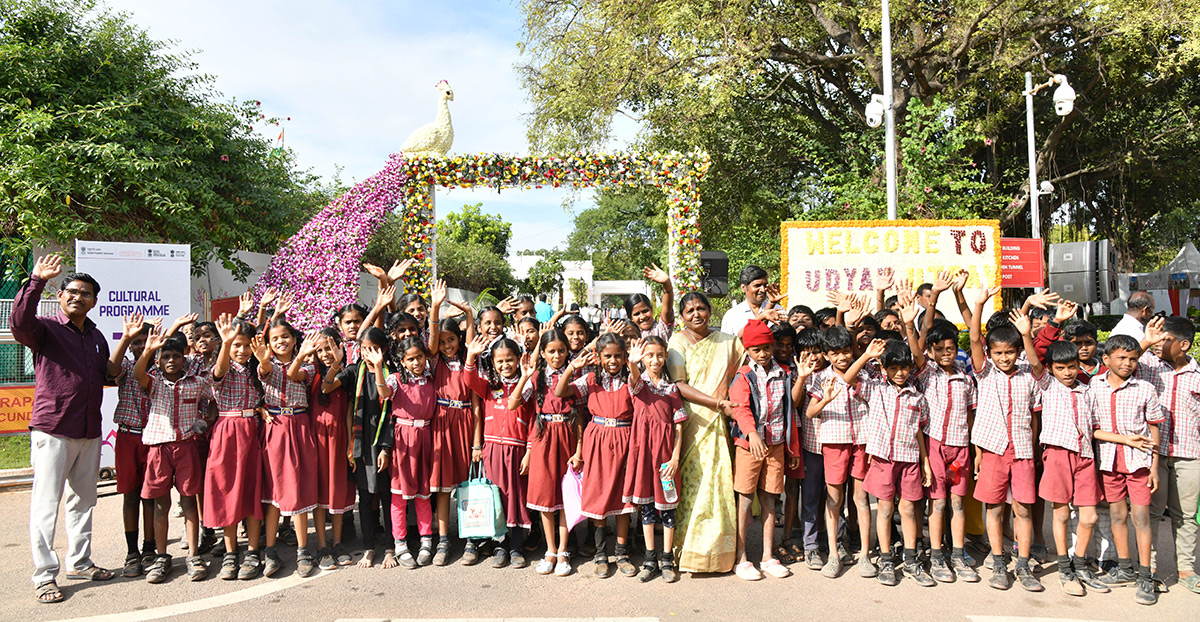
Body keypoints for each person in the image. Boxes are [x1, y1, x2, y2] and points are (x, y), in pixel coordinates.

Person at [15, 255, 116, 603]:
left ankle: (80, 561)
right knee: (47, 505)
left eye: (86, 294)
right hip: (53, 429)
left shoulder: (97, 337)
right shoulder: (44, 329)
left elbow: (107, 375)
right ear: (60, 295)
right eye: (72, 291)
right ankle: (44, 576)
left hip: (89, 430)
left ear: (94, 301)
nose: (78, 297)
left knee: (83, 502)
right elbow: (18, 323)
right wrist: (36, 281)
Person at [968, 288, 1044, 592]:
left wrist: (1026, 335)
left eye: (1009, 352)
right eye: (998, 353)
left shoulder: (1029, 374)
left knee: (1023, 508)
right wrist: (978, 304)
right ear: (990, 354)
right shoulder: (985, 373)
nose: (1004, 358)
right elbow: (975, 340)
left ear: (1017, 351)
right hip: (994, 450)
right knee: (995, 508)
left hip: (1023, 450)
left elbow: (1035, 415)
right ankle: (998, 561)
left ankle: (1023, 564)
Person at [665, 292, 741, 573]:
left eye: (701, 308)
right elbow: (679, 386)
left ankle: (720, 552)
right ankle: (687, 551)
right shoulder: (677, 342)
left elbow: (744, 369)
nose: (696, 314)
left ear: (710, 311)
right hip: (691, 422)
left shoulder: (727, 342)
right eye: (689, 311)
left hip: (722, 422)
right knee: (693, 485)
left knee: (718, 484)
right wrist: (717, 403)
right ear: (682, 316)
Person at [133, 329, 216, 583]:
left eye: (176, 356)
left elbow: (212, 399)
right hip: (159, 448)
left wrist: (206, 420)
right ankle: (161, 556)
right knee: (160, 505)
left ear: (184, 358)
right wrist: (148, 350)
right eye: (165, 356)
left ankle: (193, 555)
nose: (171, 360)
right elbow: (137, 375)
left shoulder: (196, 382)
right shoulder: (154, 381)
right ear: (157, 360)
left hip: (187, 447)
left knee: (189, 502)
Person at [555, 334, 637, 578]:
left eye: (618, 356)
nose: (613, 360)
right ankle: (601, 554)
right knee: (599, 496)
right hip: (598, 440)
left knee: (624, 500)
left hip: (624, 438)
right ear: (599, 358)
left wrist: (634, 363)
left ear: (625, 357)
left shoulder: (630, 380)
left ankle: (622, 553)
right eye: (608, 356)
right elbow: (561, 391)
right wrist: (572, 367)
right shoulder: (590, 379)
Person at [1089, 334, 1163, 605]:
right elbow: (1093, 430)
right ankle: (1125, 568)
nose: (1127, 363)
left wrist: (1154, 466)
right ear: (1106, 359)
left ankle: (1145, 575)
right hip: (1109, 461)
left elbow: (1154, 427)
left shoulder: (1145, 388)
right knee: (1117, 515)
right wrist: (1122, 439)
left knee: (1140, 518)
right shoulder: (1094, 386)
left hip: (1140, 463)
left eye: (1133, 359)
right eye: (1121, 358)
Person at [906, 316, 979, 583]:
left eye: (950, 349)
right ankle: (936, 555)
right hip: (934, 444)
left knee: (958, 502)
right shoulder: (927, 373)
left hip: (960, 447)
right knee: (937, 502)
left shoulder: (966, 380)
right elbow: (915, 351)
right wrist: (908, 324)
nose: (946, 354)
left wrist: (975, 449)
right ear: (932, 351)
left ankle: (958, 555)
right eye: (939, 350)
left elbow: (971, 416)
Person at [727, 320, 801, 581]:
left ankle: (768, 556)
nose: (763, 353)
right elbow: (740, 408)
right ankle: (742, 557)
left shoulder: (784, 373)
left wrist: (792, 449)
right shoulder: (744, 375)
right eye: (757, 349)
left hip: (777, 445)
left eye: (767, 347)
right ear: (748, 350)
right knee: (745, 499)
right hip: (749, 446)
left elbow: (789, 413)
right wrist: (752, 433)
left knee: (770, 498)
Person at [1036, 341, 1110, 596]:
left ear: (1079, 366)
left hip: (1085, 456)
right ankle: (1065, 568)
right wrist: (1035, 330)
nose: (1067, 372)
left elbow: (1095, 427)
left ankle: (1080, 564)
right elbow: (1036, 361)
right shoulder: (1048, 386)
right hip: (1058, 453)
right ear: (1051, 368)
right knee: (1061, 514)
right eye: (1060, 368)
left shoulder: (1088, 391)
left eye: (1071, 367)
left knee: (1089, 516)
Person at [861, 339, 935, 587]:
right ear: (884, 369)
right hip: (883, 458)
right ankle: (885, 559)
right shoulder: (876, 389)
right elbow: (850, 378)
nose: (900, 373)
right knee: (884, 510)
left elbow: (919, 433)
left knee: (908, 510)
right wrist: (867, 355)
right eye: (893, 368)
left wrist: (925, 463)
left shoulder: (918, 398)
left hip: (910, 459)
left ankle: (912, 559)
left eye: (904, 368)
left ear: (910, 368)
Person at [1134, 316, 1200, 594]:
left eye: (1165, 339)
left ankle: (1185, 568)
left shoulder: (1198, 375)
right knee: (1150, 512)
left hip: (1190, 455)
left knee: (1185, 515)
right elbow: (1121, 361)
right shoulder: (1149, 364)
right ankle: (1148, 570)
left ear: (1183, 345)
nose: (1159, 344)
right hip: (1154, 456)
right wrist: (1146, 340)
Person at [807, 326, 877, 579]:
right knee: (834, 500)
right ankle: (834, 554)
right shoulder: (820, 377)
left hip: (862, 442)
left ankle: (866, 556)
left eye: (846, 352)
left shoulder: (865, 375)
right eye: (835, 353)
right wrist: (825, 399)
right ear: (826, 355)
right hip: (834, 442)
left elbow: (869, 399)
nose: (842, 357)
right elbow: (810, 412)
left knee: (861, 499)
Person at [322, 327, 394, 568]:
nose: (367, 353)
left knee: (387, 495)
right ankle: (369, 547)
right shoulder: (354, 371)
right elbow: (326, 387)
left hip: (386, 437)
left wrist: (386, 448)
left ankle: (391, 548)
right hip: (361, 439)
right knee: (365, 496)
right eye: (363, 349)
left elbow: (389, 402)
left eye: (372, 349)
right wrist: (337, 364)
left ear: (383, 349)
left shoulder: (391, 373)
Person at [514, 329, 581, 577]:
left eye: (561, 351)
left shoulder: (574, 375)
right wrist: (524, 377)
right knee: (545, 498)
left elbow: (581, 417)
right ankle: (550, 549)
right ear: (542, 353)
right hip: (543, 438)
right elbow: (513, 404)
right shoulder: (536, 378)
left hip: (567, 434)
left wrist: (579, 450)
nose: (556, 355)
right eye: (551, 351)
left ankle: (563, 550)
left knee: (565, 496)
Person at [465, 335, 534, 568]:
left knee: (516, 498)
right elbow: (469, 379)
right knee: (496, 498)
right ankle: (499, 547)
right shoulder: (488, 386)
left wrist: (529, 452)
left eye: (510, 360)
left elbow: (533, 421)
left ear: (518, 359)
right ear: (493, 363)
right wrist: (471, 356)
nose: (505, 365)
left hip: (516, 449)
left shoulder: (527, 385)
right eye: (500, 361)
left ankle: (516, 547)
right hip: (492, 448)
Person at [206, 315, 267, 580]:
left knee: (252, 490)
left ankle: (253, 551)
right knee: (227, 490)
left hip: (252, 432)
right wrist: (225, 344)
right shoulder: (223, 367)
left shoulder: (258, 370)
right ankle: (231, 553)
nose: (241, 351)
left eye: (245, 345)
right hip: (226, 434)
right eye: (235, 345)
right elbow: (217, 373)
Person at [623, 336, 687, 583]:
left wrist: (674, 460)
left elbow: (679, 428)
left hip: (665, 459)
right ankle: (650, 559)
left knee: (667, 507)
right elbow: (635, 379)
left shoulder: (672, 390)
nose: (655, 360)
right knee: (647, 509)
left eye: (660, 355)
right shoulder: (640, 386)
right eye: (650, 355)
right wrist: (632, 363)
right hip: (643, 456)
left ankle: (667, 558)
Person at [427, 283, 478, 566]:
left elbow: (470, 338)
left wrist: (468, 314)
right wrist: (435, 308)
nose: (448, 345)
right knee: (444, 487)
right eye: (444, 341)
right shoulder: (435, 361)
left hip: (465, 422)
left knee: (468, 484)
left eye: (452, 340)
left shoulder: (469, 358)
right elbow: (433, 342)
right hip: (442, 423)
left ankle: (471, 538)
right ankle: (444, 540)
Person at [375, 336, 436, 569]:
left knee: (423, 494)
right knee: (399, 495)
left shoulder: (431, 377)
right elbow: (383, 392)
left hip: (426, 437)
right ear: (402, 360)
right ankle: (400, 543)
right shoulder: (395, 379)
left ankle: (426, 541)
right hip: (403, 440)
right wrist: (380, 368)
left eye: (419, 356)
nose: (416, 362)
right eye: (410, 359)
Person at [107, 314, 157, 578]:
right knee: (130, 494)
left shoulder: (160, 370)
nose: (140, 346)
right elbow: (111, 370)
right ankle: (132, 551)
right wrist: (125, 339)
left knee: (150, 495)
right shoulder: (126, 367)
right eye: (136, 342)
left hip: (153, 438)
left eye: (145, 341)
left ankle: (150, 548)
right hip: (128, 437)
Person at [305, 328, 356, 571]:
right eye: (321, 350)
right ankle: (322, 545)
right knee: (319, 492)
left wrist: (349, 444)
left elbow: (347, 412)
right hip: (316, 439)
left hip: (338, 439)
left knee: (337, 489)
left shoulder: (346, 374)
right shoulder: (310, 374)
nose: (326, 354)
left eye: (330, 347)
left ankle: (337, 543)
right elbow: (324, 389)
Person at [720, 265, 784, 336]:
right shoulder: (732, 315)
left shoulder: (778, 310)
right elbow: (727, 344)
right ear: (743, 288)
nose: (763, 290)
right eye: (757, 285)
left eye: (765, 285)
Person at [624, 264, 675, 340]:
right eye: (637, 314)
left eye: (645, 311)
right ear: (630, 317)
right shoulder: (626, 336)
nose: (642, 317)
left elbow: (667, 309)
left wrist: (667, 283)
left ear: (651, 310)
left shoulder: (661, 328)